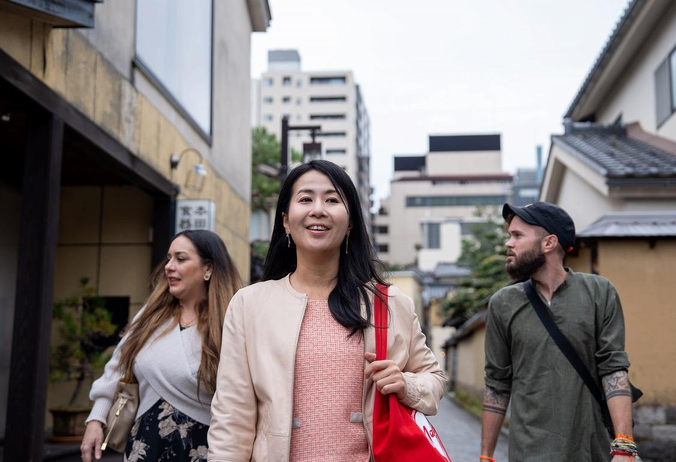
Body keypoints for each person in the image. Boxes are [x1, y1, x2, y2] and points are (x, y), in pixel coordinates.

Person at [207, 160, 446, 462]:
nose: (318, 209)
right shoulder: (249, 304)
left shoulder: (390, 302)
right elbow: (232, 416)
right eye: (305, 199)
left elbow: (434, 378)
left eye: (332, 200)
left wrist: (406, 384)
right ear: (285, 220)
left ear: (350, 224)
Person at [480, 202, 639, 462]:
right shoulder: (503, 304)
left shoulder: (599, 292)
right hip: (527, 452)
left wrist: (624, 446)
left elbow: (614, 368)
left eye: (518, 235)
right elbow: (497, 383)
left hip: (591, 450)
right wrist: (486, 456)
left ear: (549, 243)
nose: (509, 243)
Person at [80, 230, 243, 462]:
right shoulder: (150, 316)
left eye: (181, 258)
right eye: (168, 258)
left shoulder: (233, 321)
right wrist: (96, 419)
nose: (169, 266)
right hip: (144, 445)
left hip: (207, 448)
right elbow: (116, 367)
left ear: (208, 268)